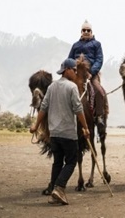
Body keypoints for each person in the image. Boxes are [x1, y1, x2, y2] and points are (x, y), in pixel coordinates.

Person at [29, 58, 90, 206]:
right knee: (71, 161)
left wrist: (36, 125)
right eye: (74, 70)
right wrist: (86, 127)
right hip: (68, 133)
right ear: (67, 70)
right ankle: (59, 188)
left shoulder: (52, 87)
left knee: (57, 162)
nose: (76, 72)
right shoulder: (72, 87)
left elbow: (43, 107)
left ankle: (53, 193)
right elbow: (78, 109)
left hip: (54, 134)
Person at [68, 20, 107, 125]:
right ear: (81, 32)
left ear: (91, 32)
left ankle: (99, 116)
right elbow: (70, 59)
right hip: (76, 73)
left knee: (99, 91)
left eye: (88, 30)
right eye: (84, 30)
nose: (86, 32)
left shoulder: (97, 44)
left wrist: (92, 72)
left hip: (90, 73)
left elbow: (99, 59)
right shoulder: (75, 45)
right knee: (62, 87)